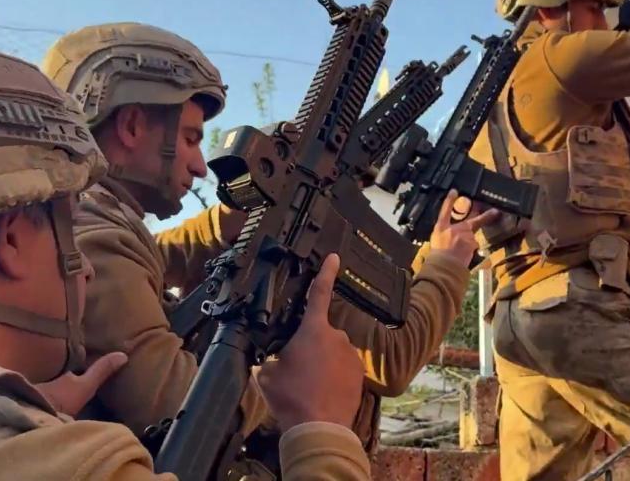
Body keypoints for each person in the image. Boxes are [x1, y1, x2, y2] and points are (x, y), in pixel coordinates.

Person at [0, 38, 376, 480]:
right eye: (67, 226)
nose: (83, 267)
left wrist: (20, 413)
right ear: (11, 238)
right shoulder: (77, 466)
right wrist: (322, 429)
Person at [42, 22, 499, 452]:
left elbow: (152, 260)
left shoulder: (87, 225)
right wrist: (446, 263)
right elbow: (391, 360)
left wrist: (226, 222)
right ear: (131, 126)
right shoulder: (96, 232)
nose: (200, 166)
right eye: (190, 138)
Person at [466, 0, 630, 480]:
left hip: (515, 320)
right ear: (558, 5)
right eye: (597, 8)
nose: (606, 24)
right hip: (575, 308)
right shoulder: (565, 57)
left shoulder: (493, 98)